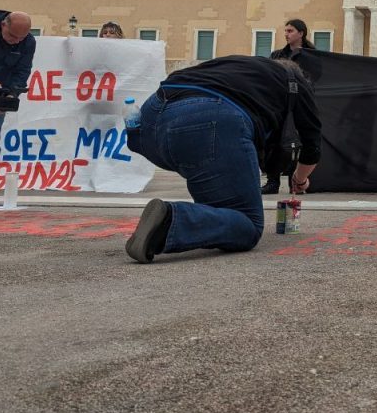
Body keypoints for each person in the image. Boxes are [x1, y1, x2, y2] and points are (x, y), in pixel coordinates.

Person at [124, 55, 322, 264]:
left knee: (219, 212)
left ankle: (178, 220)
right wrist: (299, 179)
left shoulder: (238, 66)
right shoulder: (295, 82)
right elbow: (312, 146)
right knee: (247, 224)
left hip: (149, 124)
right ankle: (170, 221)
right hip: (206, 120)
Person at [0, 11, 36, 199]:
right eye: (12, 36)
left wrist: (11, 94)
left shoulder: (28, 42)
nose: (16, 41)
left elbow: (23, 70)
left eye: (21, 38)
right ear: (3, 24)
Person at [261, 19, 315, 194]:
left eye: (290, 31)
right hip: (279, 103)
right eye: (285, 31)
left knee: (299, 143)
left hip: (300, 104)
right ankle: (272, 181)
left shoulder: (312, 56)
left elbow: (315, 80)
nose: (286, 34)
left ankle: (295, 181)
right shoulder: (276, 55)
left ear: (301, 33)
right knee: (274, 141)